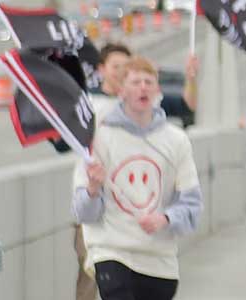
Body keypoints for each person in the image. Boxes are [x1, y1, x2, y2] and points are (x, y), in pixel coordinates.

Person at [70, 57, 204, 300]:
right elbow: (83, 212)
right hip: (112, 252)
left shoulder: (176, 141)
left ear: (157, 90)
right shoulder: (98, 137)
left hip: (159, 261)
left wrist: (165, 218)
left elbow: (192, 207)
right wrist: (92, 188)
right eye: (135, 82)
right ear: (120, 91)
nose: (142, 87)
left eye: (148, 82)